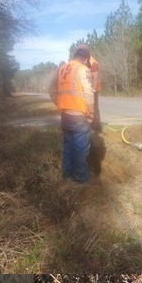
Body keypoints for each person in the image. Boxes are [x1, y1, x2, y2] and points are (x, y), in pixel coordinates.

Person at [48, 44, 97, 183]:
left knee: (68, 147)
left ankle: (67, 177)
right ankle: (81, 180)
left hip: (65, 116)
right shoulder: (83, 69)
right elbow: (88, 92)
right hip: (78, 117)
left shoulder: (62, 68)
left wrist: (61, 103)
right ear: (86, 58)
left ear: (75, 55)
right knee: (80, 150)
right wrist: (92, 112)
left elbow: (51, 89)